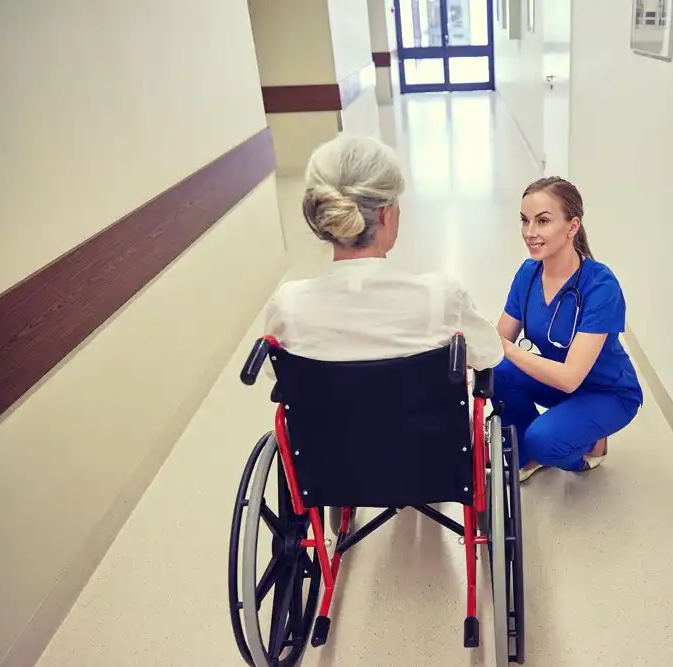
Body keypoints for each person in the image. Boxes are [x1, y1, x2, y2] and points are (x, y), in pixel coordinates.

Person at [262, 135, 502, 372]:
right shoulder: (441, 298)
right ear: (384, 214)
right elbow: (489, 354)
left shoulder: (289, 306)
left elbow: (274, 370)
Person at [495, 176, 643, 482]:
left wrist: (504, 349)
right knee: (497, 371)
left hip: (606, 392)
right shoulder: (528, 274)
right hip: (559, 381)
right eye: (525, 220)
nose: (530, 232)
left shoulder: (601, 285)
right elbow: (497, 341)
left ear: (572, 226)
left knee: (545, 440)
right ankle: (529, 450)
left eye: (543, 221)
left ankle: (589, 444)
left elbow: (569, 377)